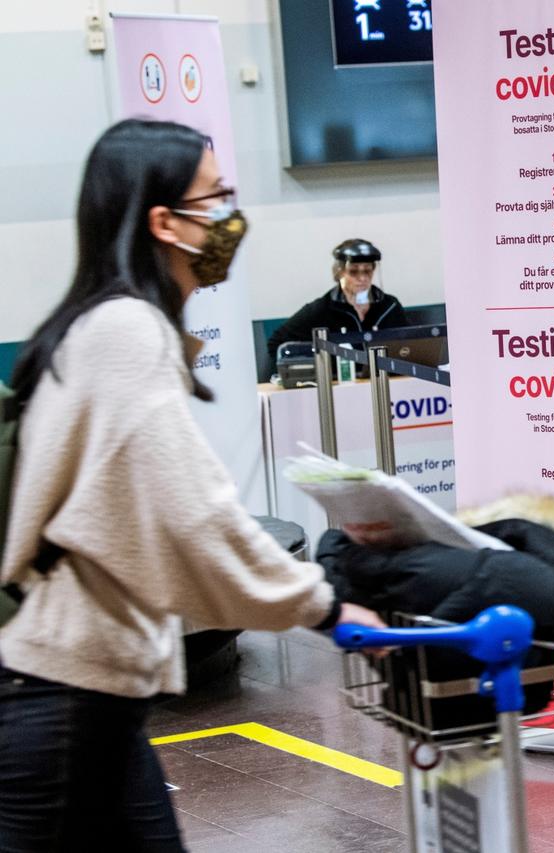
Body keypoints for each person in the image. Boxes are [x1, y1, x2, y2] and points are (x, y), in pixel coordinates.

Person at [0, 118, 384, 851]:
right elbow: (195, 521)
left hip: (100, 697)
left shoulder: (110, 325)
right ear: (164, 221)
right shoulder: (125, 332)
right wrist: (327, 605)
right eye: (216, 200)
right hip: (61, 701)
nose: (229, 219)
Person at [263, 238, 409, 377]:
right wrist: (324, 361)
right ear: (339, 272)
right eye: (354, 271)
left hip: (387, 381)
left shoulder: (389, 306)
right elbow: (276, 343)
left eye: (367, 271)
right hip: (341, 385)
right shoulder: (322, 309)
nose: (362, 278)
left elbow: (411, 346)